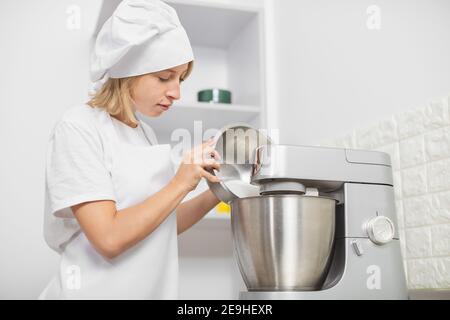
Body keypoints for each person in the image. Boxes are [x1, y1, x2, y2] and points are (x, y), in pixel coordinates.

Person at [39, 0, 221, 300]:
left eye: (180, 79)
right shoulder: (78, 127)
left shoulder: (144, 133)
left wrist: (218, 190)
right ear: (128, 72)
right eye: (165, 77)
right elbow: (108, 238)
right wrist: (179, 183)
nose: (176, 92)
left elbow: (161, 226)